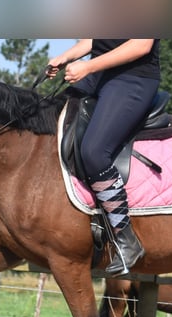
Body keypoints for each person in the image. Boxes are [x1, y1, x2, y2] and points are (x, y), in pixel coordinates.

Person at [47, 39, 161, 276]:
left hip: (133, 79)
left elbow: (141, 45)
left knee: (94, 151)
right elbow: (95, 38)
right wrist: (65, 57)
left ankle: (126, 238)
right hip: (100, 77)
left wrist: (87, 67)